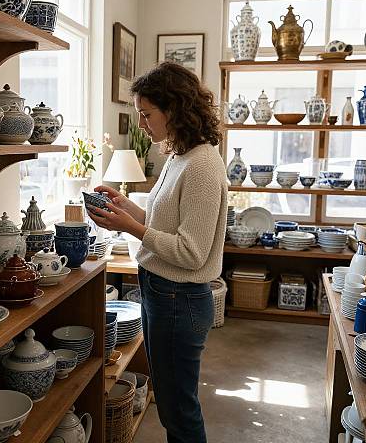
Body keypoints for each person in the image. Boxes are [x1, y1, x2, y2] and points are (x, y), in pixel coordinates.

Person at [87, 61, 227, 443]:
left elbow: (191, 252)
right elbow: (166, 223)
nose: (143, 124)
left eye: (147, 114)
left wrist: (128, 226)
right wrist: (126, 206)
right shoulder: (180, 157)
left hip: (178, 297)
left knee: (178, 409)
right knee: (169, 401)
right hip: (162, 292)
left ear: (175, 109)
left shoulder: (200, 165)